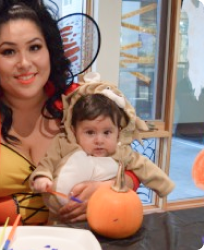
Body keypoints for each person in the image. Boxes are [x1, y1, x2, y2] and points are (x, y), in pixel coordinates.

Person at [0, 0, 140, 231]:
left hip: (71, 240)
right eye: (8, 51)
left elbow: (133, 166)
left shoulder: (80, 103)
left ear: (50, 50)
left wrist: (110, 186)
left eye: (35, 47)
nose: (25, 63)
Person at [30, 86, 175, 223]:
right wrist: (42, 177)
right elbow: (47, 163)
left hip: (106, 218)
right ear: (74, 131)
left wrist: (165, 186)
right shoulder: (64, 144)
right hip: (61, 221)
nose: (99, 140)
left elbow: (145, 167)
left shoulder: (122, 153)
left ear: (118, 131)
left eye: (107, 132)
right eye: (90, 132)